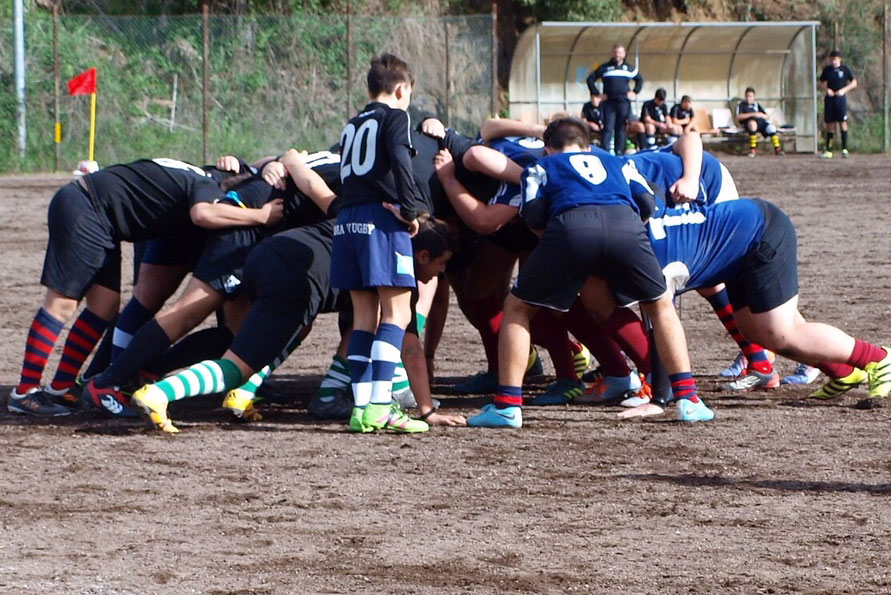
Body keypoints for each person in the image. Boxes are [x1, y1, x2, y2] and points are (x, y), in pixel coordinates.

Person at [467, 117, 713, 428]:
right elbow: (648, 201)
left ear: (548, 149)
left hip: (570, 226)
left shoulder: (542, 166)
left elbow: (531, 214)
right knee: (660, 304)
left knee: (517, 308)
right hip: (626, 224)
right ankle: (689, 399)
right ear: (587, 145)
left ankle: (506, 406)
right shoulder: (617, 161)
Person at [7, 158, 283, 416]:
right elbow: (202, 213)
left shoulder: (195, 174)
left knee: (104, 307)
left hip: (99, 216)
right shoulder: (205, 183)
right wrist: (262, 216)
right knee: (61, 303)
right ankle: (25, 393)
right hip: (85, 206)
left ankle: (62, 388)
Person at [620, 196, 891, 417]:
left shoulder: (647, 259)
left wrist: (662, 398)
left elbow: (661, 324)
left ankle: (878, 358)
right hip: (739, 241)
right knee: (754, 330)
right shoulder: (633, 237)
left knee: (782, 332)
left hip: (760, 231)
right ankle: (844, 372)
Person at [332, 53, 431, 434]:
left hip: (347, 222)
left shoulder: (351, 124)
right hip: (380, 221)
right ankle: (379, 406)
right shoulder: (397, 117)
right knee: (397, 314)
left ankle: (361, 408)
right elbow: (401, 163)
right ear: (402, 89)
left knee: (363, 319)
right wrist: (412, 210)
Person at [586, 45, 643, 155]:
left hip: (623, 102)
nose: (618, 55)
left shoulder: (629, 68)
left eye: (620, 53)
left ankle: (619, 152)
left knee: (621, 128)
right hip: (609, 102)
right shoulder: (605, 68)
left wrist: (635, 91)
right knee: (608, 127)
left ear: (624, 54)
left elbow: (639, 80)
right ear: (612, 54)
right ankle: (604, 153)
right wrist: (597, 93)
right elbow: (590, 79)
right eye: (616, 52)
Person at [819, 50, 857, 159]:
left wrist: (844, 90)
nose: (833, 61)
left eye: (835, 59)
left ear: (840, 59)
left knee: (842, 123)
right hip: (830, 99)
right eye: (831, 59)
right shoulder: (827, 70)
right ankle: (829, 150)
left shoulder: (845, 69)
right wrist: (827, 90)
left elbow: (854, 83)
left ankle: (844, 149)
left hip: (840, 100)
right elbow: (821, 83)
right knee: (829, 124)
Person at [736, 87, 783, 157]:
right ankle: (753, 150)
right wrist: (753, 114)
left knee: (771, 128)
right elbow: (739, 117)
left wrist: (761, 115)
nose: (749, 98)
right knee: (753, 124)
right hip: (750, 123)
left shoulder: (756, 104)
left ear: (753, 97)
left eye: (750, 96)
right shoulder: (741, 105)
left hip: (760, 122)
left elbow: (766, 115)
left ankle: (777, 148)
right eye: (747, 96)